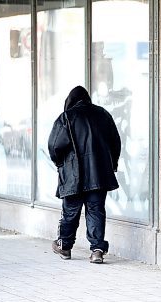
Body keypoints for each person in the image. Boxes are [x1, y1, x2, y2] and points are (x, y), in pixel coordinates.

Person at [48, 86, 121, 264]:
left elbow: (55, 145)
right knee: (96, 211)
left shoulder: (67, 117)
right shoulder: (103, 115)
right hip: (99, 174)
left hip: (73, 175)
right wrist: (112, 164)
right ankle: (97, 250)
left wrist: (60, 163)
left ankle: (64, 246)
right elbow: (115, 142)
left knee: (70, 212)